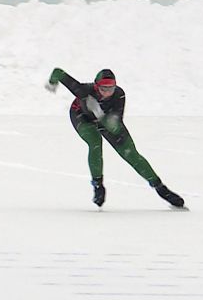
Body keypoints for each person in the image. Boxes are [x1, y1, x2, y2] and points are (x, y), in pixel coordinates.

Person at [45, 67, 185, 208]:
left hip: (108, 121)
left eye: (110, 88)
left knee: (131, 154)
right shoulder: (84, 91)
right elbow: (58, 72)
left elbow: (115, 126)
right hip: (82, 117)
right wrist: (52, 83)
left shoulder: (118, 95)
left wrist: (99, 112)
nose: (107, 93)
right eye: (103, 89)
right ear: (96, 86)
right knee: (95, 142)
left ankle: (161, 188)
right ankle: (98, 186)